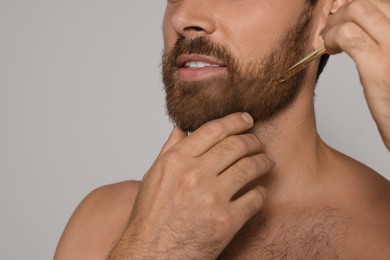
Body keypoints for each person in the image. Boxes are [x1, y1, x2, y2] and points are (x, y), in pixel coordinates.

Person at [54, 0, 390, 259]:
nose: (182, 16)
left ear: (327, 15)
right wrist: (154, 250)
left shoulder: (381, 228)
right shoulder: (106, 223)